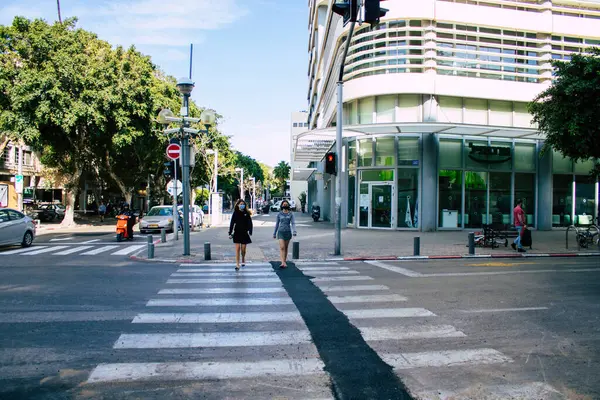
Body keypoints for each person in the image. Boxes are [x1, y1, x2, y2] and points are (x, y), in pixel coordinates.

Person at [228, 199, 253, 271]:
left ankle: (243, 258)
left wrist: (250, 231)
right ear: (238, 205)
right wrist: (230, 232)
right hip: (237, 233)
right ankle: (237, 264)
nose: (242, 205)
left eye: (243, 204)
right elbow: (232, 223)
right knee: (237, 249)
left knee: (243, 249)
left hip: (244, 233)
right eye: (241, 204)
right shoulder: (235, 213)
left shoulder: (246, 213)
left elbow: (250, 223)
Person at [273, 200, 297, 268]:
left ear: (288, 205)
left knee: (286, 248)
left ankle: (284, 261)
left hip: (288, 232)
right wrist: (274, 233)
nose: (285, 205)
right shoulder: (279, 214)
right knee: (282, 247)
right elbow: (277, 224)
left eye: (286, 204)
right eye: (284, 204)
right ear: (282, 205)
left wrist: (294, 231)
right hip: (280, 232)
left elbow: (293, 223)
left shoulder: (291, 214)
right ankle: (282, 262)